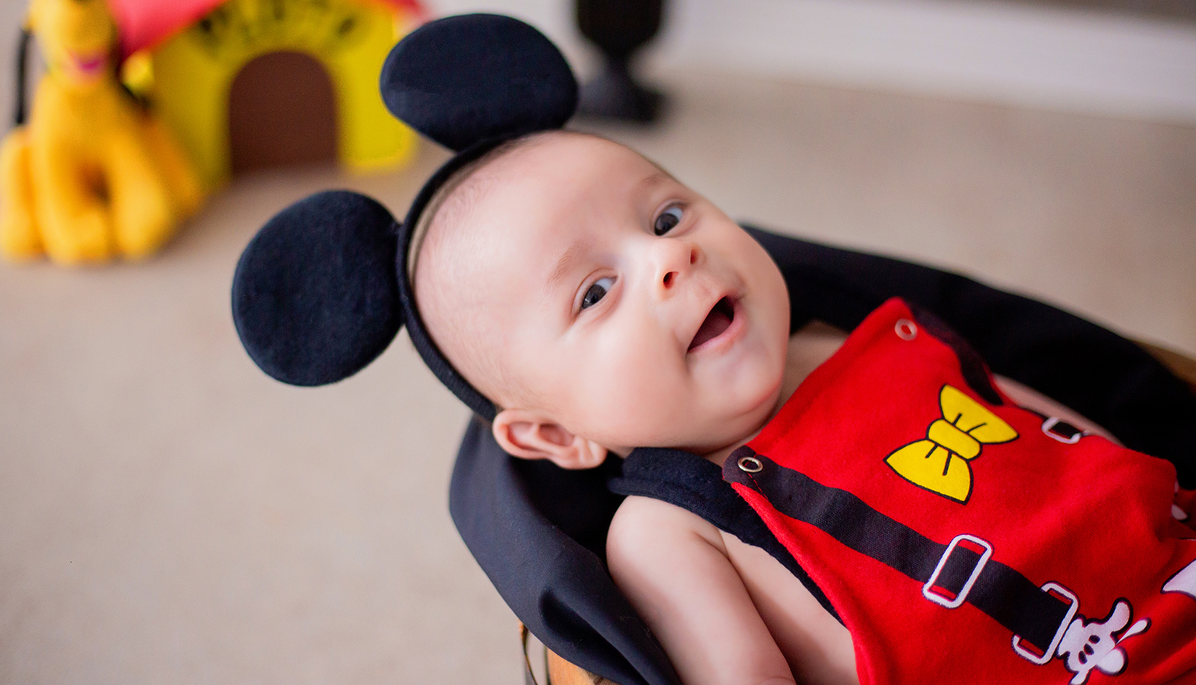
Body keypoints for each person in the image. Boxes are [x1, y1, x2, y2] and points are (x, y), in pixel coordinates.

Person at [409, 128, 1196, 685]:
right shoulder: (667, 530)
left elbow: (1072, 436)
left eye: (667, 216)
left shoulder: (857, 333)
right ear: (556, 434)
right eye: (593, 291)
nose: (668, 256)